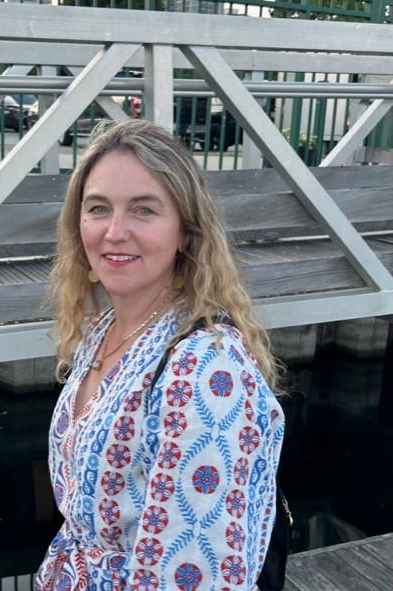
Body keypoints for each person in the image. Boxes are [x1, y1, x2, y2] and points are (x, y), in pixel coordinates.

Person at [35, 119, 284, 590]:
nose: (113, 232)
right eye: (98, 208)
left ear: (185, 232)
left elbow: (196, 573)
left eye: (143, 210)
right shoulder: (105, 329)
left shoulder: (204, 369)